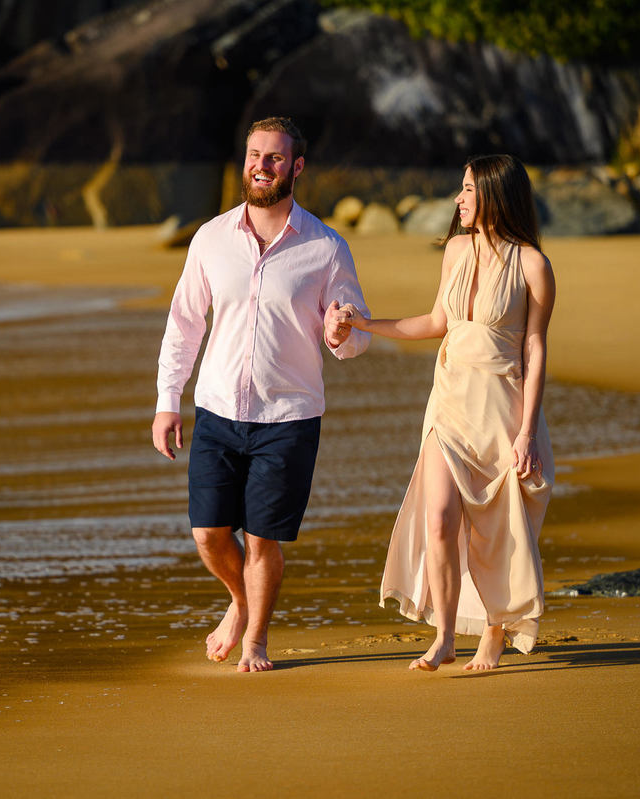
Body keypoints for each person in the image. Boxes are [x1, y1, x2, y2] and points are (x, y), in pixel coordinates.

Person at [152, 116, 371, 672]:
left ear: (296, 167)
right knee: (208, 535)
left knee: (262, 540)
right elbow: (184, 324)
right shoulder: (211, 238)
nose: (261, 166)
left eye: (274, 157)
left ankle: (255, 641)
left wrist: (340, 332)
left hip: (289, 416)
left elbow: (354, 338)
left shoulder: (326, 247)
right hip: (218, 409)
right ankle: (241, 599)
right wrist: (167, 400)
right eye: (255, 155)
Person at [337, 153, 555, 671]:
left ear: (496, 194)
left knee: (497, 529)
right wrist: (365, 325)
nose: (459, 199)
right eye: (461, 188)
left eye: (468, 189)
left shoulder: (533, 265)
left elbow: (535, 348)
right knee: (438, 517)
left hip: (502, 413)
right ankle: (445, 637)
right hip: (449, 406)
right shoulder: (456, 251)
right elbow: (438, 321)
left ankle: (495, 631)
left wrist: (527, 432)